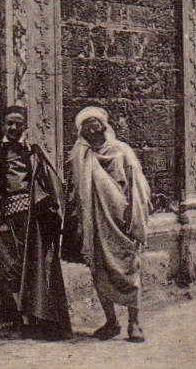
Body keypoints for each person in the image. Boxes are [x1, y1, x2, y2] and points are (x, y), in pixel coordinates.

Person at [0, 105, 71, 338]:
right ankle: (21, 318)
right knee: (12, 267)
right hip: (8, 219)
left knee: (37, 267)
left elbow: (49, 182)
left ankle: (39, 319)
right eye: (9, 122)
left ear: (25, 126)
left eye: (18, 123)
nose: (13, 127)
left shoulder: (33, 152)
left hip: (34, 219)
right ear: (3, 125)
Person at [67, 106, 152, 342]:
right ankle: (111, 321)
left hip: (122, 222)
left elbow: (138, 187)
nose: (95, 133)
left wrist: (135, 218)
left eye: (98, 128)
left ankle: (134, 323)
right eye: (89, 130)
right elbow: (75, 191)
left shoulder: (122, 151)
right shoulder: (80, 155)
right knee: (99, 271)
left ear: (105, 127)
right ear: (83, 132)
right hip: (95, 223)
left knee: (129, 271)